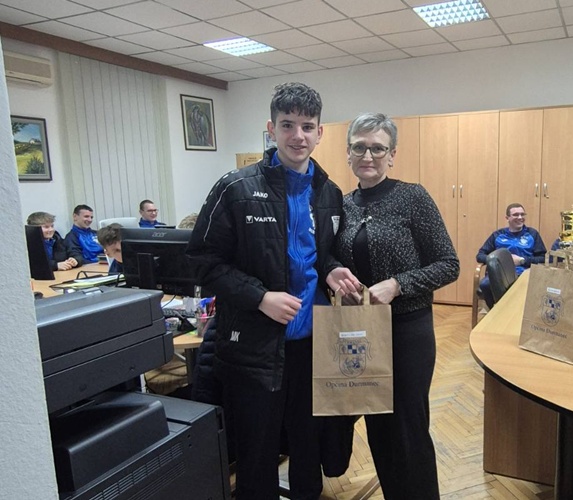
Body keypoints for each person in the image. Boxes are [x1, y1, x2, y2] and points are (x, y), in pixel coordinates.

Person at [185, 82, 360, 500]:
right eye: (287, 125)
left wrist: (331, 269)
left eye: (307, 126)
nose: (298, 135)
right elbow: (201, 262)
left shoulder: (329, 193)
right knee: (258, 453)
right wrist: (260, 297)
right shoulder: (236, 188)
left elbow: (320, 255)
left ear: (320, 133)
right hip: (255, 348)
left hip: (313, 345)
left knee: (308, 445)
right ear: (271, 129)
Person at [331, 112, 460, 500]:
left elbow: (448, 264)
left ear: (392, 154)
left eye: (377, 148)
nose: (368, 155)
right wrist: (336, 274)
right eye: (359, 147)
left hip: (406, 331)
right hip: (359, 331)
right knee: (379, 429)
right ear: (348, 153)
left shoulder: (412, 197)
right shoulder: (342, 205)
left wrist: (397, 284)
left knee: (408, 430)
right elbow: (329, 257)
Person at [476, 203, 547, 308]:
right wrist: (498, 261)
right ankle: (496, 311)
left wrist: (522, 260)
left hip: (524, 273)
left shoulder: (532, 234)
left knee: (521, 287)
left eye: (522, 214)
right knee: (485, 284)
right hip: (499, 274)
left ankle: (513, 312)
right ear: (507, 218)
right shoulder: (497, 235)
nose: (520, 217)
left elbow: (543, 258)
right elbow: (480, 256)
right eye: (516, 215)